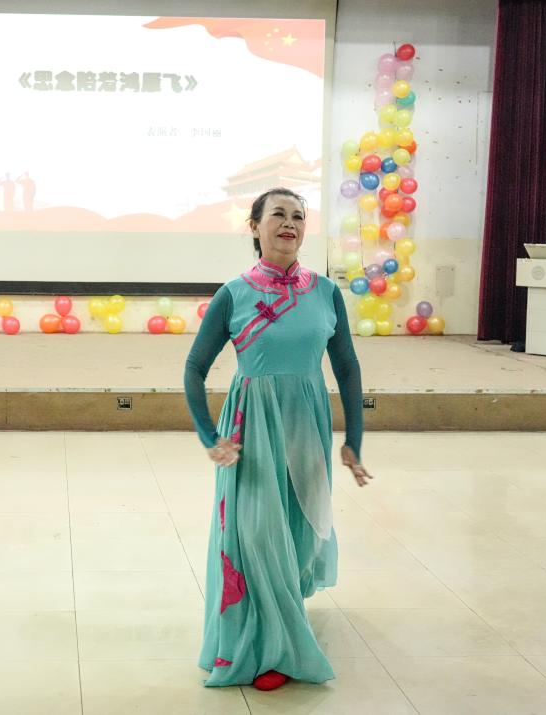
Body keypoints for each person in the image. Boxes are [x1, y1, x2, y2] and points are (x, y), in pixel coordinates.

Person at [183, 187, 371, 692]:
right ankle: (270, 648)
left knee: (298, 532)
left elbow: (347, 367)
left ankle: (281, 623)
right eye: (278, 215)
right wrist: (209, 435)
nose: (290, 223)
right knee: (256, 536)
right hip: (251, 428)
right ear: (254, 226)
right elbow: (195, 368)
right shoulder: (234, 294)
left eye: (298, 216)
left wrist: (353, 440)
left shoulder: (325, 292)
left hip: (307, 423)